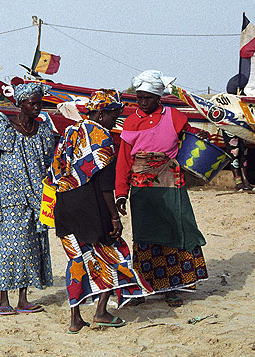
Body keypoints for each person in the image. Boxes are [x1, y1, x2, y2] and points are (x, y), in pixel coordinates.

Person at [51, 89, 153, 334]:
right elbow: (106, 185)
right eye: (114, 114)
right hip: (91, 207)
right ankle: (101, 312)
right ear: (102, 113)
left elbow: (56, 169)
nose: (116, 118)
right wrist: (114, 217)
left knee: (77, 260)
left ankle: (75, 318)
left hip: (64, 205)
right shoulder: (103, 138)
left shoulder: (70, 131)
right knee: (110, 255)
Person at [115, 70, 208, 307]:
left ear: (159, 98)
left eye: (148, 98)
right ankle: (144, 286)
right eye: (139, 98)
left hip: (171, 182)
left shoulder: (174, 116)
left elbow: (191, 140)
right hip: (141, 187)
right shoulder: (131, 120)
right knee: (146, 235)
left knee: (174, 229)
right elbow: (124, 160)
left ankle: (172, 287)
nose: (143, 102)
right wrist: (120, 193)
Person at [0, 82, 56, 315]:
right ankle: (3, 299)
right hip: (11, 197)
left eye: (39, 103)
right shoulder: (6, 128)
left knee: (31, 246)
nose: (37, 107)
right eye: (32, 103)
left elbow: (48, 164)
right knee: (11, 247)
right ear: (20, 103)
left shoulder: (43, 132)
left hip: (37, 197)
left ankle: (23, 300)